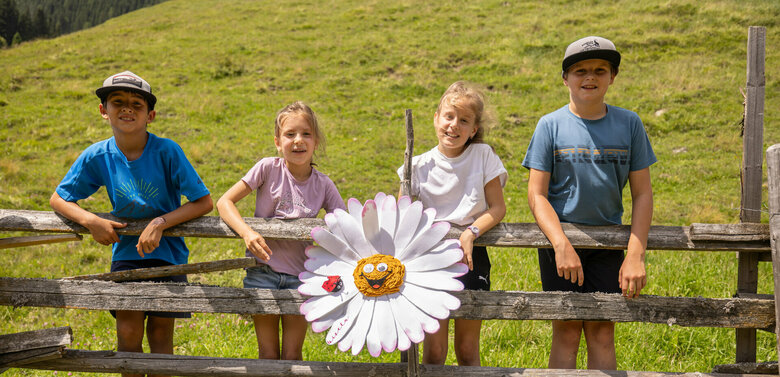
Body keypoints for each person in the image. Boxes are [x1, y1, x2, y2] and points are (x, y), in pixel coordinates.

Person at [50, 71, 213, 377]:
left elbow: (204, 201)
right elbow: (59, 199)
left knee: (162, 335)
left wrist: (160, 222)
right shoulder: (97, 155)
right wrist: (91, 220)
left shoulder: (167, 151)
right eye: (117, 102)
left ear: (150, 115)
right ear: (103, 110)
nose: (127, 109)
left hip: (170, 255)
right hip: (126, 256)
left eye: (136, 104)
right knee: (127, 334)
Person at [522, 36, 656, 370]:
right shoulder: (549, 125)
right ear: (565, 78)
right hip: (561, 243)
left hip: (608, 245)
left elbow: (642, 193)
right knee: (566, 331)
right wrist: (560, 244)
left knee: (602, 331)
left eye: (599, 69)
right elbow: (536, 194)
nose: (590, 77)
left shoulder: (630, 124)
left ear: (613, 76)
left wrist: (636, 255)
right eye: (580, 70)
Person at [217, 101, 345, 360]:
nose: (298, 140)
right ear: (278, 141)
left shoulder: (324, 185)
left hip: (301, 278)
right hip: (261, 272)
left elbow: (345, 225)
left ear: (316, 141)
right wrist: (247, 232)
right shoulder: (267, 168)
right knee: (267, 353)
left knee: (292, 354)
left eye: (306, 134)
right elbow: (224, 202)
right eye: (290, 134)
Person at [397, 81, 507, 366]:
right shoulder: (417, 165)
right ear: (436, 118)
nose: (453, 125)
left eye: (464, 120)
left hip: (471, 257)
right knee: (435, 351)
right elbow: (402, 213)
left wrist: (471, 232)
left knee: (468, 348)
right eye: (448, 116)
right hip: (430, 261)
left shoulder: (483, 157)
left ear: (473, 129)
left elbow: (497, 208)